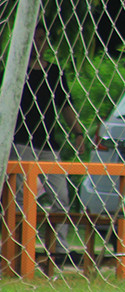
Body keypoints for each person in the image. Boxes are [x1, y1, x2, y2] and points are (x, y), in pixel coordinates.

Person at [10, 26, 87, 256]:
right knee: (21, 196)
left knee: (61, 196)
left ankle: (59, 248)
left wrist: (78, 132)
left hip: (47, 143)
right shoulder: (15, 70)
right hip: (21, 141)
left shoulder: (54, 73)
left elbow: (65, 105)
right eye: (34, 38)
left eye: (43, 38)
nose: (38, 43)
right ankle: (18, 246)